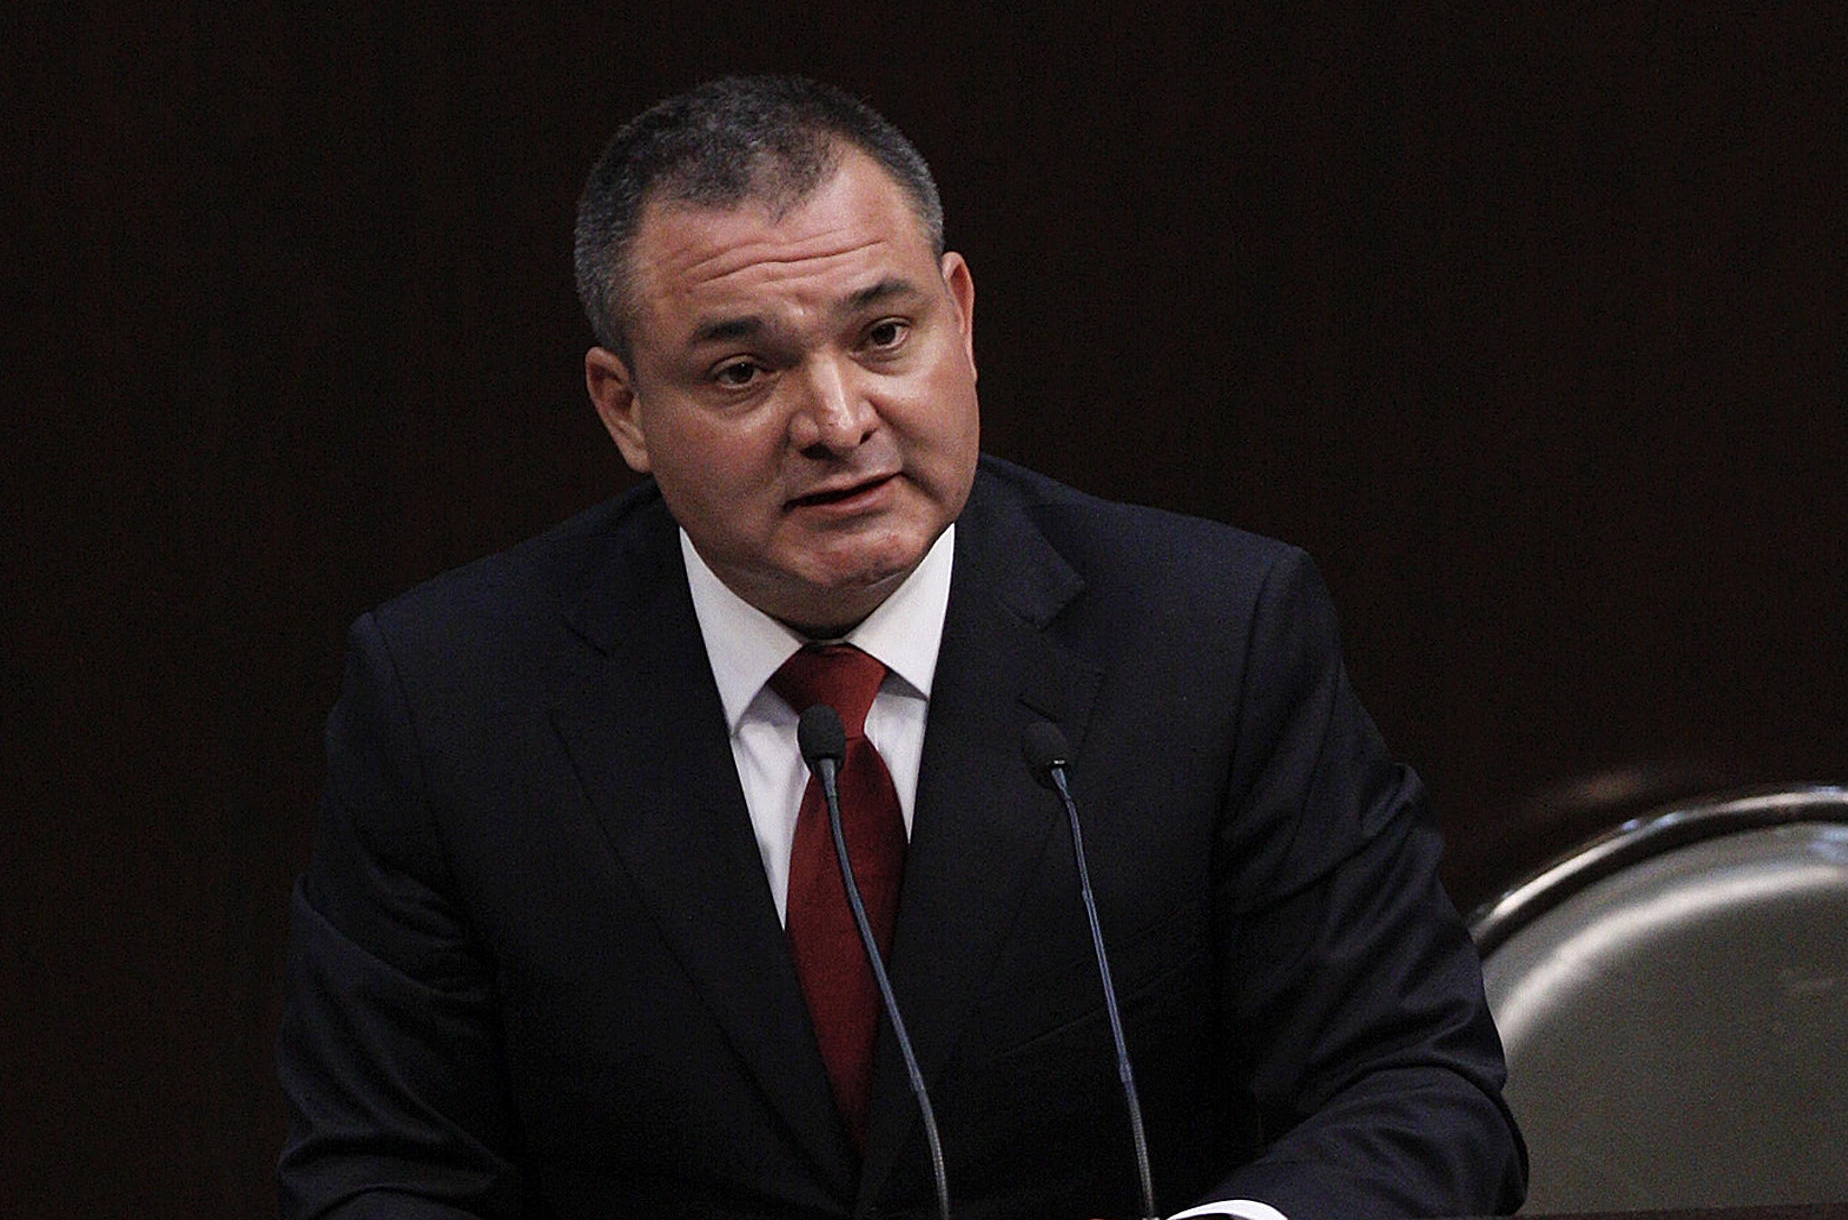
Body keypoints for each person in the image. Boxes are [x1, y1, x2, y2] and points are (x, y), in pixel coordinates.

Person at [278, 74, 1526, 1219]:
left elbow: (1418, 1086)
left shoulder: (1216, 636)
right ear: (625, 408)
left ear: (961, 317)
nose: (835, 420)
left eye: (883, 337)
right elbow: (382, 1171)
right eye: (740, 370)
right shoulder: (452, 698)